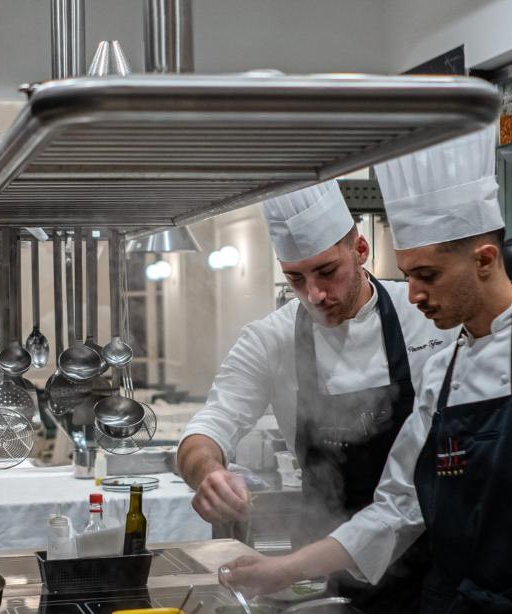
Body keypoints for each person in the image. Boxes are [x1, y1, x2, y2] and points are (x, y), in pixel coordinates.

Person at [221, 127, 512, 612]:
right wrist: (282, 570)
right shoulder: (442, 372)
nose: (413, 295)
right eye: (408, 276)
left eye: (427, 276)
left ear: (485, 259)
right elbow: (396, 509)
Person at [177, 180, 456, 611]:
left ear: (360, 250)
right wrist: (207, 472)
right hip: (326, 556)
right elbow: (210, 426)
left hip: (437, 548)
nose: (315, 295)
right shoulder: (270, 338)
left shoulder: (423, 314)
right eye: (296, 278)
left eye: (327, 272)